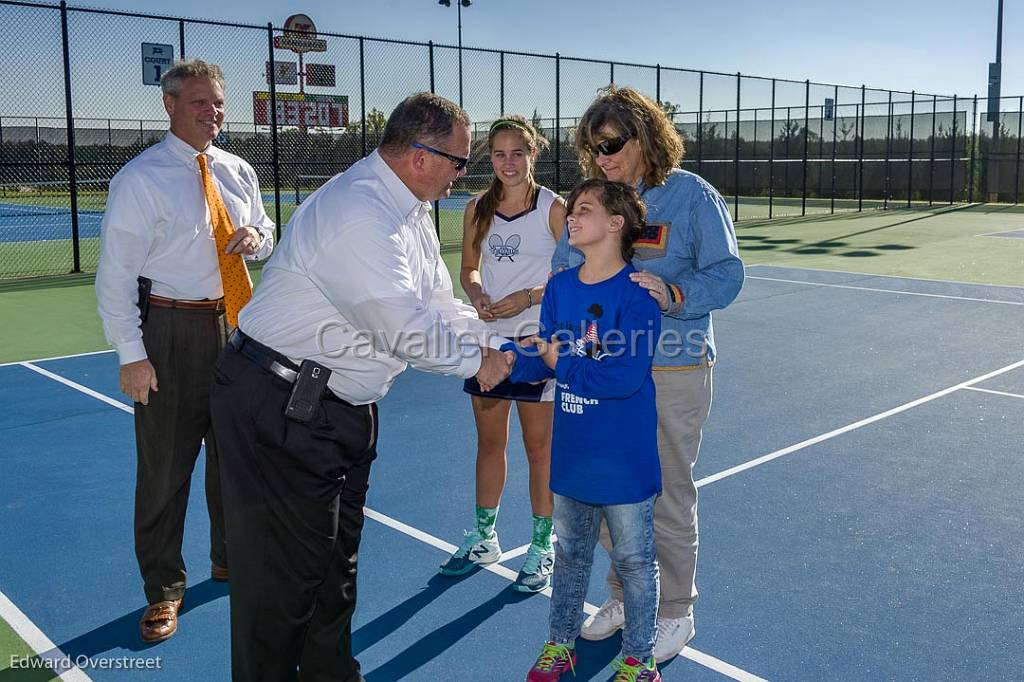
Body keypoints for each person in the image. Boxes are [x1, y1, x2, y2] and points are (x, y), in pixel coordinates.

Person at [209, 92, 513, 682]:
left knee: (333, 569)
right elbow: (400, 325)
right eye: (459, 160)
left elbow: (435, 306)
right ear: (421, 156)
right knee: (283, 581)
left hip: (335, 407)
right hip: (281, 405)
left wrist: (499, 340)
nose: (463, 173)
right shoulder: (360, 211)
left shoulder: (411, 209)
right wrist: (479, 365)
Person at [553, 86, 744, 662]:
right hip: (603, 373)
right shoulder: (594, 201)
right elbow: (567, 267)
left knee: (666, 494)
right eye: (592, 145)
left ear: (645, 137)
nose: (602, 154)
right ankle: (623, 597)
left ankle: (676, 610)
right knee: (609, 493)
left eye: (611, 142)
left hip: (673, 367)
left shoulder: (690, 197)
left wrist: (676, 291)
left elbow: (728, 273)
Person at [95, 59, 275, 643]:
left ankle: (230, 558)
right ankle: (164, 590)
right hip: (169, 334)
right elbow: (114, 277)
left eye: (218, 103)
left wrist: (256, 237)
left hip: (236, 329)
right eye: (199, 102)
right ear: (170, 105)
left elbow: (267, 232)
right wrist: (132, 353)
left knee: (237, 459)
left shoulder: (238, 170)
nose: (212, 112)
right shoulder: (141, 179)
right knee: (166, 471)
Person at [512, 179, 663, 681]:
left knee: (635, 562)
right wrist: (505, 361)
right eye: (572, 211)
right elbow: (545, 355)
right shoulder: (560, 287)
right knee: (571, 554)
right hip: (573, 454)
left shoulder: (637, 297)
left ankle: (640, 658)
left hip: (623, 458)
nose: (571, 218)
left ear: (616, 224)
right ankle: (561, 643)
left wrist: (560, 360)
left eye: (583, 210)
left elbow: (621, 377)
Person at [439, 115, 567, 593]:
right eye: (498, 154)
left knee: (540, 450)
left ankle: (541, 547)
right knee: (490, 444)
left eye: (518, 153)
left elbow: (572, 274)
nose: (508, 162)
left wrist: (529, 297)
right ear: (488, 158)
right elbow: (469, 267)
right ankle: (486, 538)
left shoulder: (555, 208)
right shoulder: (477, 207)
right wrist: (476, 295)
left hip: (538, 343)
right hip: (490, 342)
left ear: (534, 154)